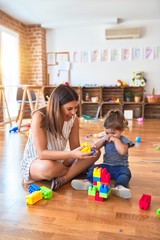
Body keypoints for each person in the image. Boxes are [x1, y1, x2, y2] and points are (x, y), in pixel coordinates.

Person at [21, 84, 100, 191]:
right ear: (57, 107)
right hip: (37, 161)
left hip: (60, 159)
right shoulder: (39, 117)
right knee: (50, 168)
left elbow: (75, 148)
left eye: (75, 108)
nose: (74, 112)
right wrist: (74, 157)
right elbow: (42, 153)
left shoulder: (74, 119)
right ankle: (73, 171)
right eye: (69, 109)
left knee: (95, 152)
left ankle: (64, 179)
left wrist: (85, 152)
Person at [71, 109, 134, 199]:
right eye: (107, 133)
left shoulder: (124, 140)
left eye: (113, 133)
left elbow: (122, 152)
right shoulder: (107, 139)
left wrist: (116, 140)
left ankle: (119, 187)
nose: (110, 135)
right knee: (94, 168)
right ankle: (88, 182)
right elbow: (95, 147)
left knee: (126, 173)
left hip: (120, 167)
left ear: (122, 130)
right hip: (106, 166)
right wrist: (103, 139)